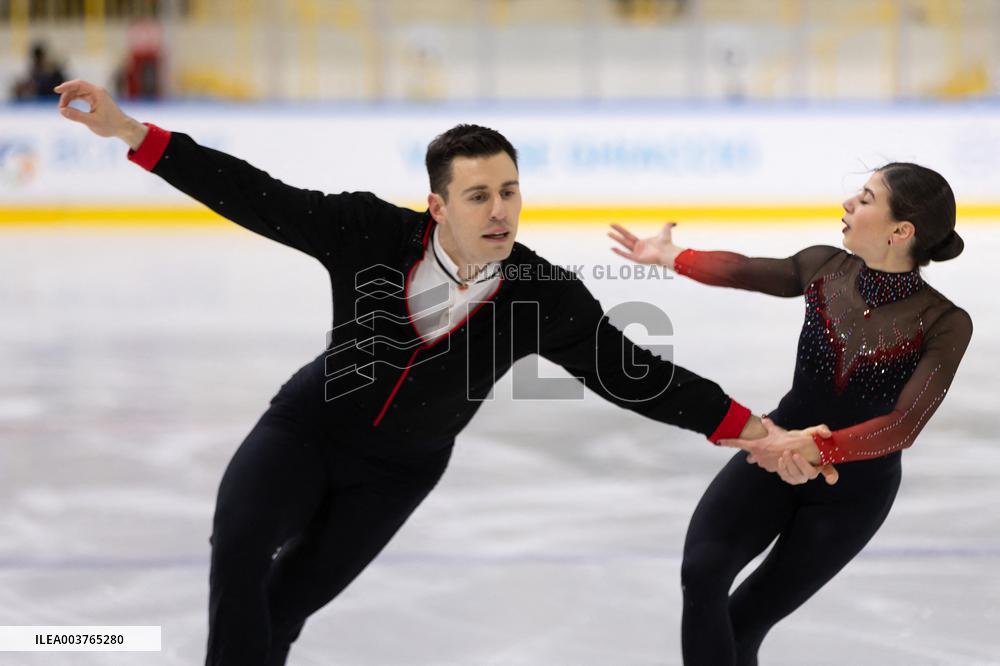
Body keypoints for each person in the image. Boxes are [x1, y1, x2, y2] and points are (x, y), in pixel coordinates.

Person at [52, 79, 826, 665]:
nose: (501, 211)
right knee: (240, 546)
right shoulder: (368, 231)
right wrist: (128, 130)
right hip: (307, 428)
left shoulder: (540, 294)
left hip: (398, 472)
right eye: (480, 195)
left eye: (511, 191)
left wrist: (755, 430)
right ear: (437, 204)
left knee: (284, 606)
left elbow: (633, 373)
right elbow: (256, 196)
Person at [609, 163, 973, 665]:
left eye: (866, 199)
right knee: (702, 572)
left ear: (901, 230)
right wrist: (671, 256)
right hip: (774, 457)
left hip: (851, 494)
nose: (849, 203)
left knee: (745, 621)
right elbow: (741, 269)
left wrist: (814, 445)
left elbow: (904, 424)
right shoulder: (824, 267)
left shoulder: (943, 322)